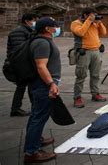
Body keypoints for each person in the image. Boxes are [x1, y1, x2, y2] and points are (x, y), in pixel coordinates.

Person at [23, 17, 61, 163]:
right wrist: (51, 83)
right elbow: (41, 66)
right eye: (55, 26)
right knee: (38, 118)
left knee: (36, 115)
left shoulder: (41, 41)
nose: (57, 28)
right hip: (42, 85)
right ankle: (31, 152)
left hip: (40, 84)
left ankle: (35, 141)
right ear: (47, 29)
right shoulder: (42, 43)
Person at [71, 7, 107, 108]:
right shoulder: (76, 23)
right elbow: (81, 32)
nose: (94, 17)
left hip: (96, 51)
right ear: (85, 15)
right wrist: (89, 21)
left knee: (96, 75)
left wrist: (99, 23)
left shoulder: (94, 23)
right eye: (91, 15)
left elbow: (104, 33)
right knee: (81, 75)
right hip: (84, 52)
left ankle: (95, 94)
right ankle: (77, 97)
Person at [7, 12, 40, 117]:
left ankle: (16, 108)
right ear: (27, 21)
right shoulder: (18, 32)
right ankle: (19, 108)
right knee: (26, 85)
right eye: (34, 20)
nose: (35, 22)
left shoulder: (28, 30)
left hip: (24, 63)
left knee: (22, 86)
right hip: (20, 64)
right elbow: (20, 50)